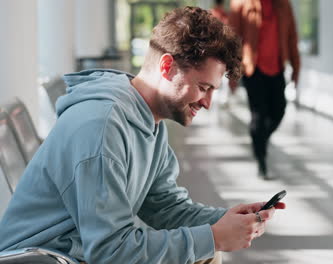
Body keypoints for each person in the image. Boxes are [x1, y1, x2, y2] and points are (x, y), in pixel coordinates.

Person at [0, 7, 285, 264]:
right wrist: (213, 237)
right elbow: (110, 251)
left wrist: (225, 221)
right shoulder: (101, 127)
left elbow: (164, 207)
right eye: (203, 87)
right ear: (166, 66)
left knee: (204, 251)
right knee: (205, 252)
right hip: (45, 259)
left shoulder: (147, 118)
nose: (207, 103)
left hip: (77, 251)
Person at [229, 0, 300, 180]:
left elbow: (292, 37)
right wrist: (233, 74)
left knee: (279, 110)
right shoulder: (241, 4)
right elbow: (233, 38)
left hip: (277, 67)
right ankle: (261, 160)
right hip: (253, 69)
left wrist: (296, 67)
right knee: (258, 115)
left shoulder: (283, 5)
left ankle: (259, 140)